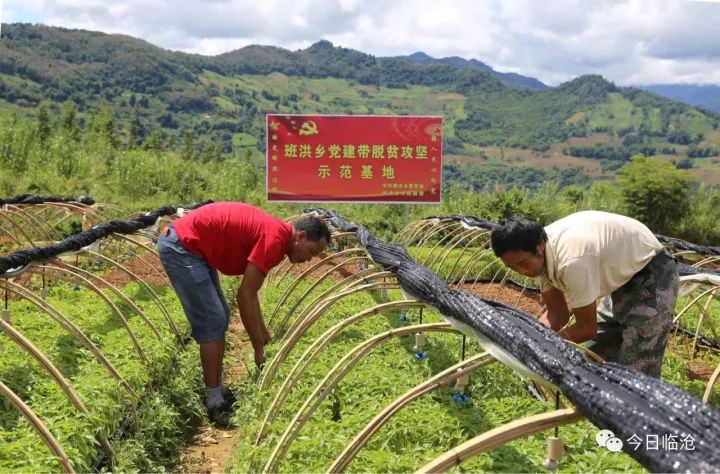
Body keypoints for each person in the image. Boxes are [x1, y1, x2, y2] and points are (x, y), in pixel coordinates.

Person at [157, 202, 331, 426]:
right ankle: (214, 404)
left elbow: (252, 292)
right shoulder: (275, 239)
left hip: (192, 246)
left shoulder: (278, 236)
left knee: (220, 317)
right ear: (301, 236)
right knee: (212, 322)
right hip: (182, 247)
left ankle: (216, 391)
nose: (309, 259)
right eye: (312, 252)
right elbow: (245, 296)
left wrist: (265, 337)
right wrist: (259, 348)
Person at [490, 210, 678, 378]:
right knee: (594, 355)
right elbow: (557, 315)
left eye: (522, 263)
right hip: (622, 274)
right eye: (511, 267)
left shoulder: (572, 261)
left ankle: (638, 412)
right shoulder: (541, 253)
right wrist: (531, 336)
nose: (520, 271)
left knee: (638, 367)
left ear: (540, 246)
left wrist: (543, 343)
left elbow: (587, 328)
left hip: (651, 271)